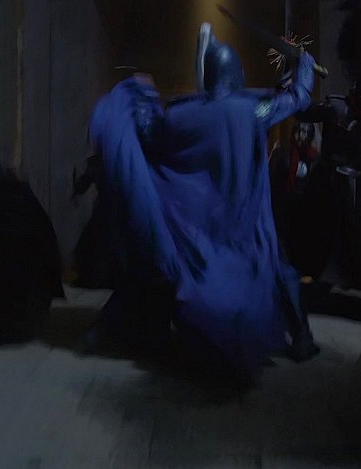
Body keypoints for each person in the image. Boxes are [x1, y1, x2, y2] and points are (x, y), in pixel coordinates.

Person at [86, 23, 320, 380]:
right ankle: (300, 339)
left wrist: (140, 95)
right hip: (239, 221)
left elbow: (150, 132)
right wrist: (304, 65)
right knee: (275, 266)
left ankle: (112, 333)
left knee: (159, 272)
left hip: (193, 221)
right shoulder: (252, 112)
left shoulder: (181, 114)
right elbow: (298, 98)